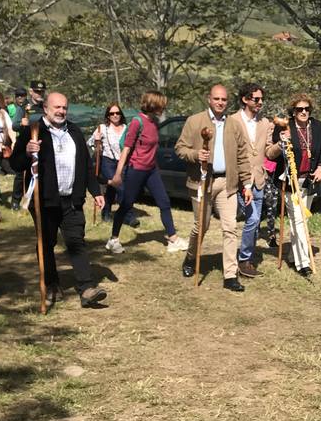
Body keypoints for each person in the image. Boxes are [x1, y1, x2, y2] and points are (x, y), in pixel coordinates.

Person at [8, 92, 107, 308]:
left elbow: (86, 165)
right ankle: (51, 284)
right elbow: (15, 164)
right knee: (47, 243)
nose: (61, 111)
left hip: (72, 200)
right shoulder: (33, 131)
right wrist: (26, 152)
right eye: (57, 107)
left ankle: (87, 288)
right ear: (45, 108)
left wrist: (96, 191)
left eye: (64, 107)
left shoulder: (74, 131)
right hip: (44, 201)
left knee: (77, 242)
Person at [175, 84, 242, 290]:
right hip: (202, 181)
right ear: (209, 99)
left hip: (227, 183)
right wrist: (196, 155)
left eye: (224, 99)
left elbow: (242, 156)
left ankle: (230, 275)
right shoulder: (194, 121)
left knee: (230, 227)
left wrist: (246, 183)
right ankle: (190, 258)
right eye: (217, 99)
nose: (220, 102)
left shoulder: (233, 124)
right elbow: (180, 148)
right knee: (201, 226)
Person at [105, 91, 186, 254]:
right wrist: (118, 174)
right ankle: (113, 239)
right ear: (153, 104)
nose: (164, 107)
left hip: (151, 170)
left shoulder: (154, 122)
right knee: (127, 204)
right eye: (162, 104)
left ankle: (173, 239)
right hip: (136, 170)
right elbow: (126, 149)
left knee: (164, 202)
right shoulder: (137, 122)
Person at [265, 93, 321, 276]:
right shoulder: (285, 127)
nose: (303, 112)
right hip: (290, 180)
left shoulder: (318, 127)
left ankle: (293, 256)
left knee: (301, 220)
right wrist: (282, 141)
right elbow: (271, 154)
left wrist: (320, 168)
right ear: (293, 111)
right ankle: (303, 263)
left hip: (309, 181)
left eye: (306, 109)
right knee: (299, 220)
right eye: (299, 109)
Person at [226, 83, 272, 279]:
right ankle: (244, 259)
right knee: (252, 219)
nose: (260, 102)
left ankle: (247, 259)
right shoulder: (232, 121)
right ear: (245, 99)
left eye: (262, 99)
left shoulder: (265, 123)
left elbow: (268, 151)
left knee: (254, 221)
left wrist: (280, 145)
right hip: (239, 178)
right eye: (256, 99)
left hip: (259, 178)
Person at [88, 103, 139, 227]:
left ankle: (106, 212)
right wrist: (96, 139)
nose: (115, 115)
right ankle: (128, 216)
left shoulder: (126, 128)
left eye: (117, 113)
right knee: (120, 187)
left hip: (123, 162)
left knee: (111, 190)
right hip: (108, 162)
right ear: (108, 116)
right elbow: (89, 143)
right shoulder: (102, 128)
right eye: (112, 113)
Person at [10, 82, 45, 209]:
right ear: (31, 92)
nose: (39, 94)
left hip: (42, 142)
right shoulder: (24, 107)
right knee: (20, 173)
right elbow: (14, 125)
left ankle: (37, 198)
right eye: (36, 91)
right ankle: (16, 200)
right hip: (25, 142)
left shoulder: (46, 106)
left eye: (41, 91)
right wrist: (21, 124)